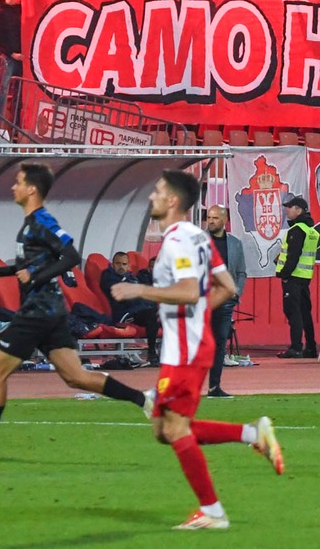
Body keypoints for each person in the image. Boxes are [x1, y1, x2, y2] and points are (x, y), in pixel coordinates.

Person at [107, 169, 284, 529]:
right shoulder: (198, 237)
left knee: (174, 430)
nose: (152, 197)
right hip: (188, 345)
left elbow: (189, 291)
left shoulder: (177, 241)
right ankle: (253, 434)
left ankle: (213, 512)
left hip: (185, 351)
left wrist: (139, 290)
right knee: (164, 429)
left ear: (173, 200)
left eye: (157, 191)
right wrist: (198, 315)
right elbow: (227, 287)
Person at [0, 163, 152, 463]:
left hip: (38, 312)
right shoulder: (30, 224)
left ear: (32, 189)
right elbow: (35, 263)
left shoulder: (43, 220)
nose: (13, 187)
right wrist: (5, 272)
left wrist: (36, 276)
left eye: (18, 182)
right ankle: (143, 399)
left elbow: (71, 255)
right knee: (76, 377)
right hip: (50, 311)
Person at [203, 204, 244, 397]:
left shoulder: (235, 244)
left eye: (215, 218)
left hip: (225, 301)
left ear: (225, 220)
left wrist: (236, 293)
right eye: (209, 217)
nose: (211, 221)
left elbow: (241, 272)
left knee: (220, 342)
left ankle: (214, 387)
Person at [273, 193, 320, 358]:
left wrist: (284, 274)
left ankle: (296, 347)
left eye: (290, 207)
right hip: (305, 277)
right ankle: (311, 347)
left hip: (293, 277)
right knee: (305, 312)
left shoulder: (297, 230)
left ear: (299, 210)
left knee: (293, 312)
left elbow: (293, 256)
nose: (287, 210)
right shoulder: (311, 231)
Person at [98, 251, 160, 364]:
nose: (121, 267)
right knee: (152, 315)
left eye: (124, 264)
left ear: (128, 266)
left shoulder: (132, 278)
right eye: (118, 263)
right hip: (125, 313)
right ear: (112, 264)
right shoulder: (108, 276)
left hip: (140, 310)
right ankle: (151, 353)